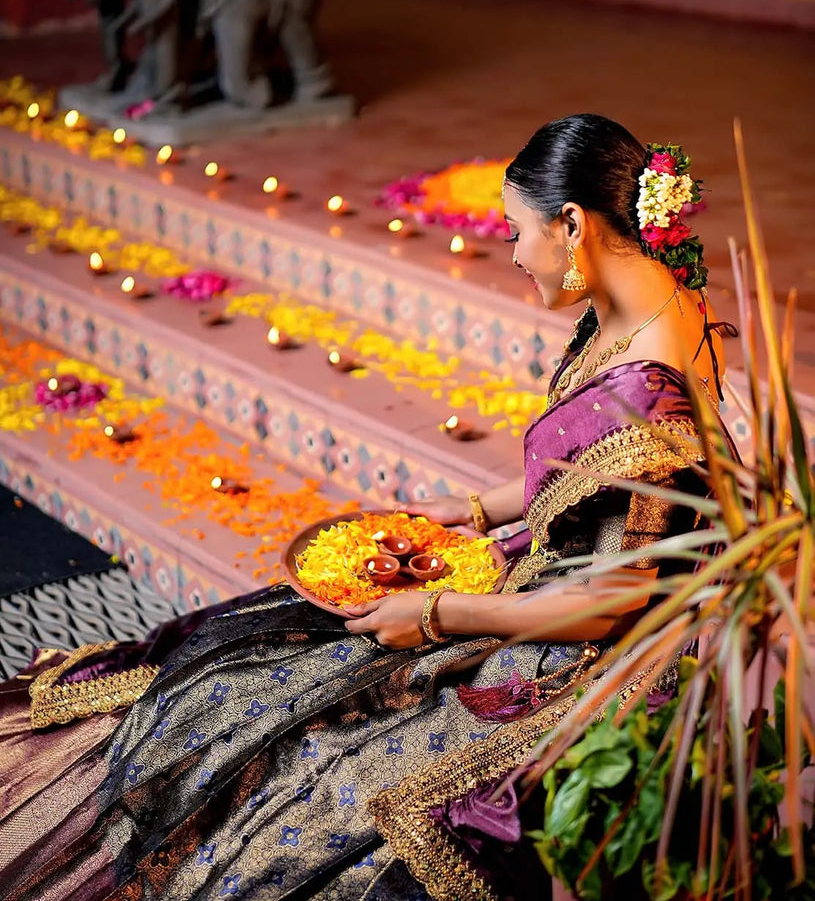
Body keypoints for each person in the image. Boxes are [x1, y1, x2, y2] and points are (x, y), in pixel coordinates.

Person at [0, 114, 736, 901]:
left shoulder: (651, 388)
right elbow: (589, 470)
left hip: (589, 647)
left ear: (571, 223)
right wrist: (476, 508)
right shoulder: (645, 293)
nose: (514, 254)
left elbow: (620, 598)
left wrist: (438, 617)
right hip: (556, 577)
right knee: (260, 654)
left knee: (304, 771)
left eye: (517, 232)